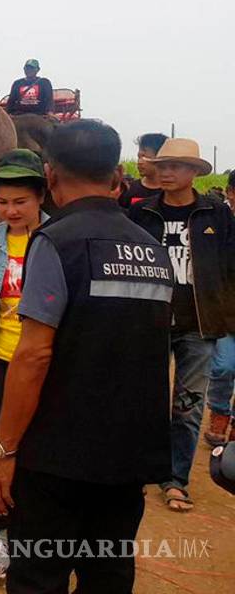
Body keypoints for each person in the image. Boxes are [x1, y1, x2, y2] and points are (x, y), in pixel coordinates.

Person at [0, 120, 175, 594]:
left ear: (49, 176)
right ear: (117, 178)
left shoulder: (55, 242)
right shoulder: (153, 251)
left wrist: (2, 450)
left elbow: (33, 356)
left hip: (56, 459)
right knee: (108, 574)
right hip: (127, 458)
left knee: (38, 576)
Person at [128, 137, 235, 512]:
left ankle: (176, 480)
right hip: (150, 323)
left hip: (198, 326)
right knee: (144, 401)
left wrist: (226, 317)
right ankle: (140, 471)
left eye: (177, 166)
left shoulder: (216, 213)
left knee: (188, 406)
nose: (167, 172)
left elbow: (230, 269)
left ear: (194, 173)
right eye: (163, 165)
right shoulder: (141, 213)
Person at [0, 150, 48, 580]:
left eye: (20, 201)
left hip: (44, 362)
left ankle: (44, 536)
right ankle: (5, 536)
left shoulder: (59, 239)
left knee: (42, 446)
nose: (10, 210)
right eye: (3, 202)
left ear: (39, 197)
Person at [117, 132, 168, 208]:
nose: (139, 162)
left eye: (144, 156)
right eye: (139, 157)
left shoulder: (171, 192)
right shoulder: (128, 190)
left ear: (160, 158)